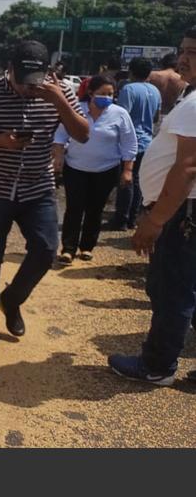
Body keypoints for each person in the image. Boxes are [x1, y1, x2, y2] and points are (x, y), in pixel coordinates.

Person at [0, 40, 89, 349]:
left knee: (45, 250)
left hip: (37, 187)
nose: (28, 90)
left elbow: (82, 134)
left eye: (34, 83)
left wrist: (60, 102)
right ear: (9, 69)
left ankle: (12, 300)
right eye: (21, 82)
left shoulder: (58, 92)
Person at [107, 27, 196, 385]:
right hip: (183, 210)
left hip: (182, 213)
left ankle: (157, 366)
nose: (184, 57)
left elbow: (188, 167)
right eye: (184, 49)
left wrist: (156, 219)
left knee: (171, 289)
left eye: (194, 51)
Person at [52, 75, 137, 264]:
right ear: (90, 93)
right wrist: (58, 157)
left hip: (106, 169)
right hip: (76, 167)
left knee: (95, 209)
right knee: (74, 208)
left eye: (110, 94)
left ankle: (87, 247)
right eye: (102, 94)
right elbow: (60, 135)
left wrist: (127, 170)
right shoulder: (76, 110)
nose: (106, 98)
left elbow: (129, 144)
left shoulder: (120, 114)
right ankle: (68, 248)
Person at [110, 57, 162, 230]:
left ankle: (121, 220)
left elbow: (122, 116)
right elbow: (156, 117)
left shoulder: (128, 89)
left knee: (125, 180)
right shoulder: (155, 90)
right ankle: (132, 218)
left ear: (131, 71)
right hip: (148, 141)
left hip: (129, 142)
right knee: (139, 181)